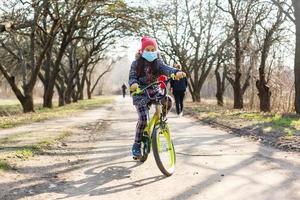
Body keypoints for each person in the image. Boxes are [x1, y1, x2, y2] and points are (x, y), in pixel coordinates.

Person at [128, 36, 186, 159]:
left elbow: (167, 69)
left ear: (156, 50)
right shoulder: (136, 63)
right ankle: (137, 144)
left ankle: (159, 122)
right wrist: (133, 84)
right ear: (142, 51)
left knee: (169, 101)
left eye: (152, 49)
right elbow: (132, 76)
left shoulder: (158, 62)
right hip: (141, 93)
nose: (150, 52)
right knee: (143, 119)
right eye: (147, 49)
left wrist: (176, 72)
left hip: (154, 91)